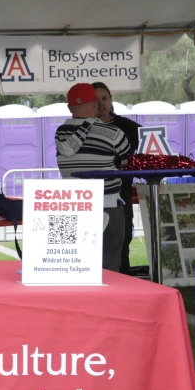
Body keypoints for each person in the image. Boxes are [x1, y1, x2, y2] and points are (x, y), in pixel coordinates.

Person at [54, 83, 132, 272]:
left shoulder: (60, 133)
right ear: (95, 104)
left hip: (72, 207)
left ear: (69, 107)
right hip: (109, 206)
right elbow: (128, 163)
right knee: (110, 266)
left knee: (77, 266)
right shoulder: (113, 133)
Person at [93, 82, 140, 274]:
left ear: (111, 99)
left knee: (122, 245)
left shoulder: (129, 127)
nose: (101, 103)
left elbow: (148, 146)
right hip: (90, 198)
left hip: (120, 197)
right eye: (96, 100)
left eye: (104, 98)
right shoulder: (80, 130)